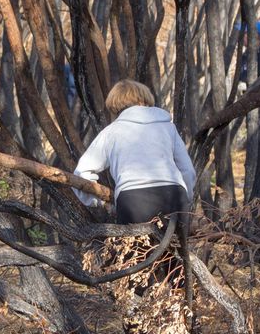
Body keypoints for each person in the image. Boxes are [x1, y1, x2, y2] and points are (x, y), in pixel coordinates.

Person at [73, 79, 195, 226]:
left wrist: (97, 201)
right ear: (144, 100)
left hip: (133, 201)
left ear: (115, 105)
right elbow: (187, 170)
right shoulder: (168, 127)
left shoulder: (111, 132)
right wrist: (186, 198)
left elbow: (81, 172)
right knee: (174, 248)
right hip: (174, 196)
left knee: (138, 250)